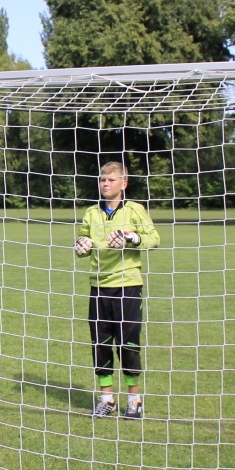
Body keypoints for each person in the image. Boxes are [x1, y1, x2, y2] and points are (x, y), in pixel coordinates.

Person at [74, 161, 161, 418]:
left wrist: (131, 238)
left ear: (124, 183)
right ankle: (107, 399)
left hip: (128, 285)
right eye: (102, 179)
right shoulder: (91, 212)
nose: (105, 184)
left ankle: (134, 400)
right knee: (100, 343)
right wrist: (81, 246)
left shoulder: (134, 210)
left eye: (111, 180)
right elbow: (83, 242)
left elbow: (154, 239)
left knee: (128, 343)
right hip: (99, 286)